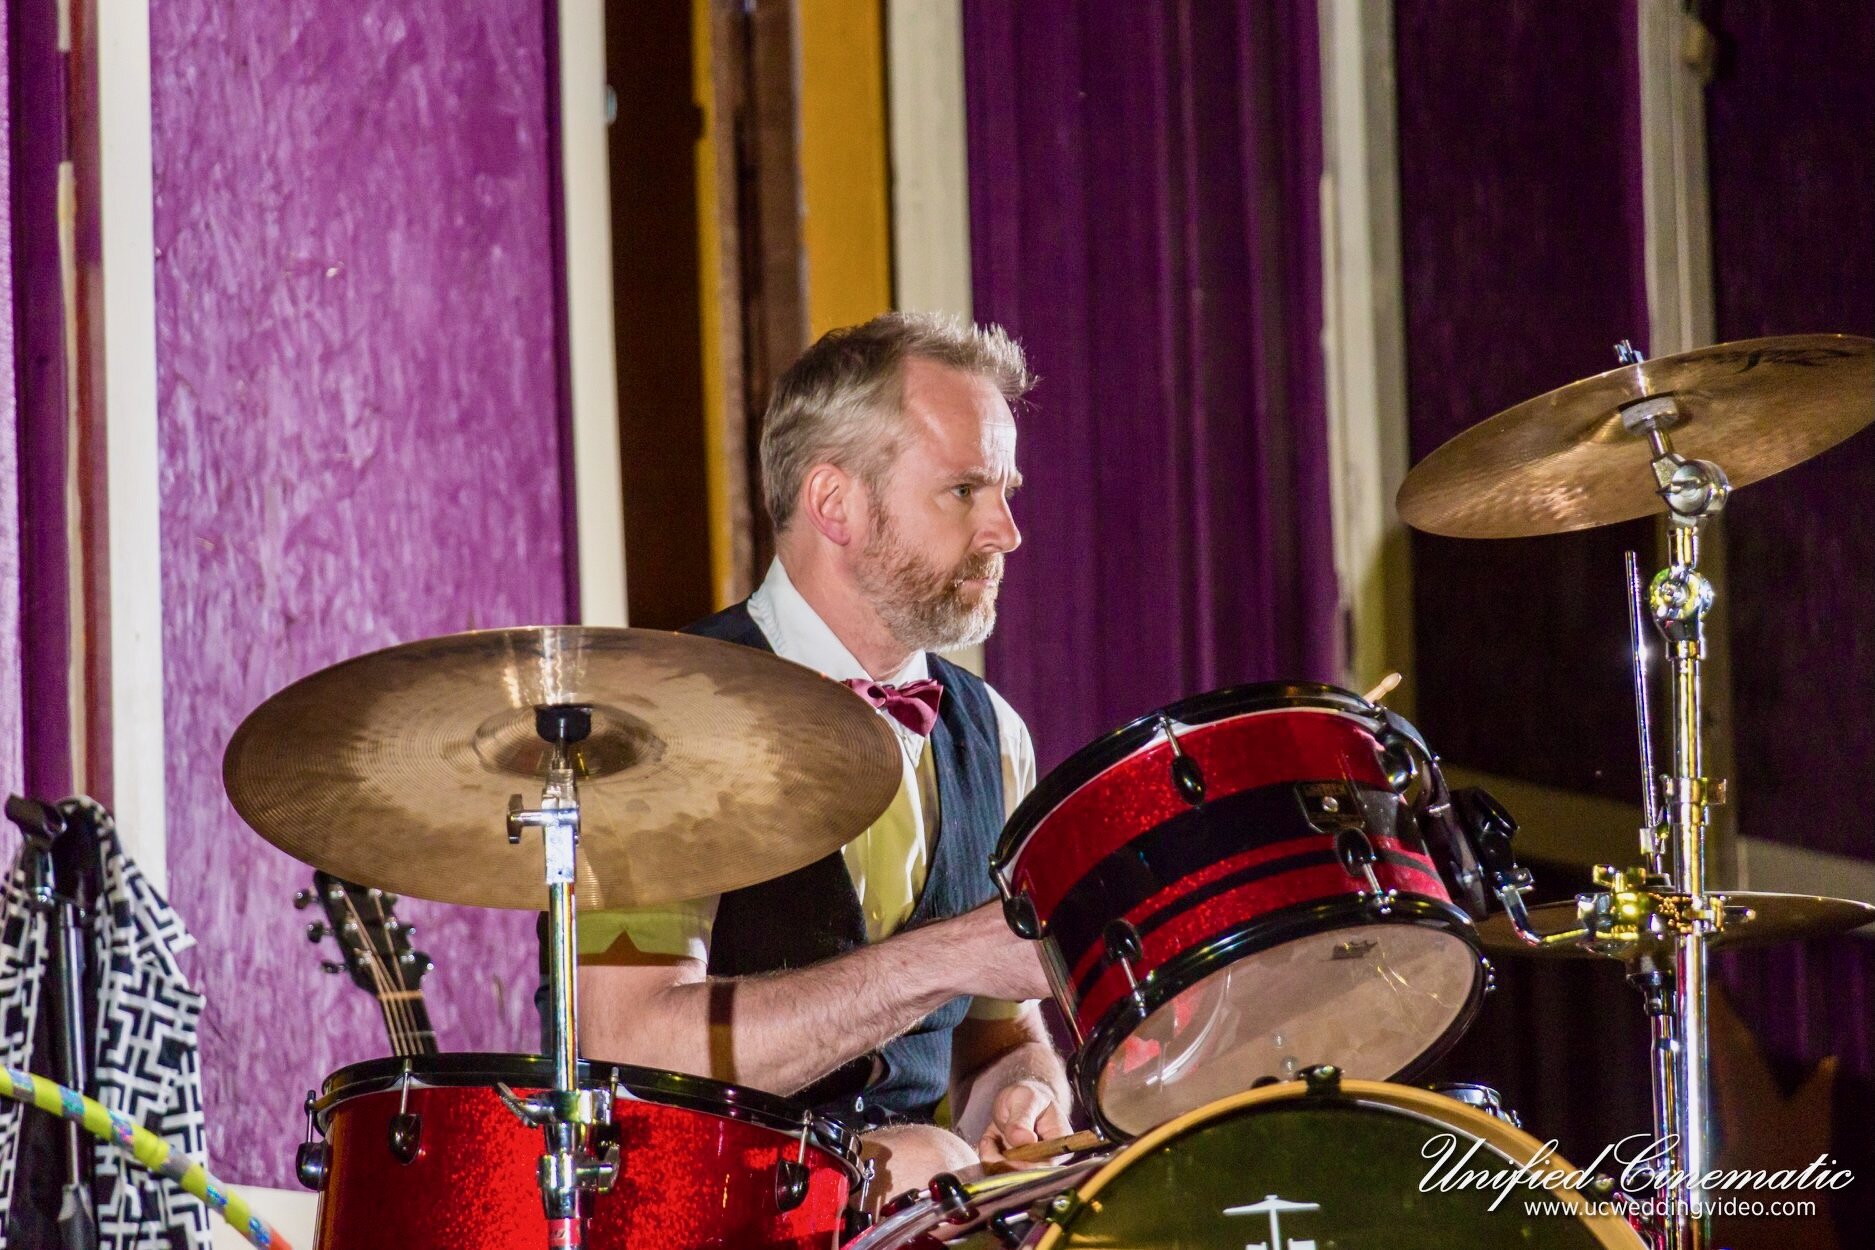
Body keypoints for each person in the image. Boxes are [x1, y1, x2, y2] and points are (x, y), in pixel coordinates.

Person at [578, 312, 1070, 1202]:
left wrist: (1023, 1093)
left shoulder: (994, 734)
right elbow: (630, 1048)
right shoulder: (660, 719)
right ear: (833, 502)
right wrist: (939, 960)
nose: (1005, 531)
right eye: (963, 490)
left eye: (1005, 492)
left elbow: (999, 1037)